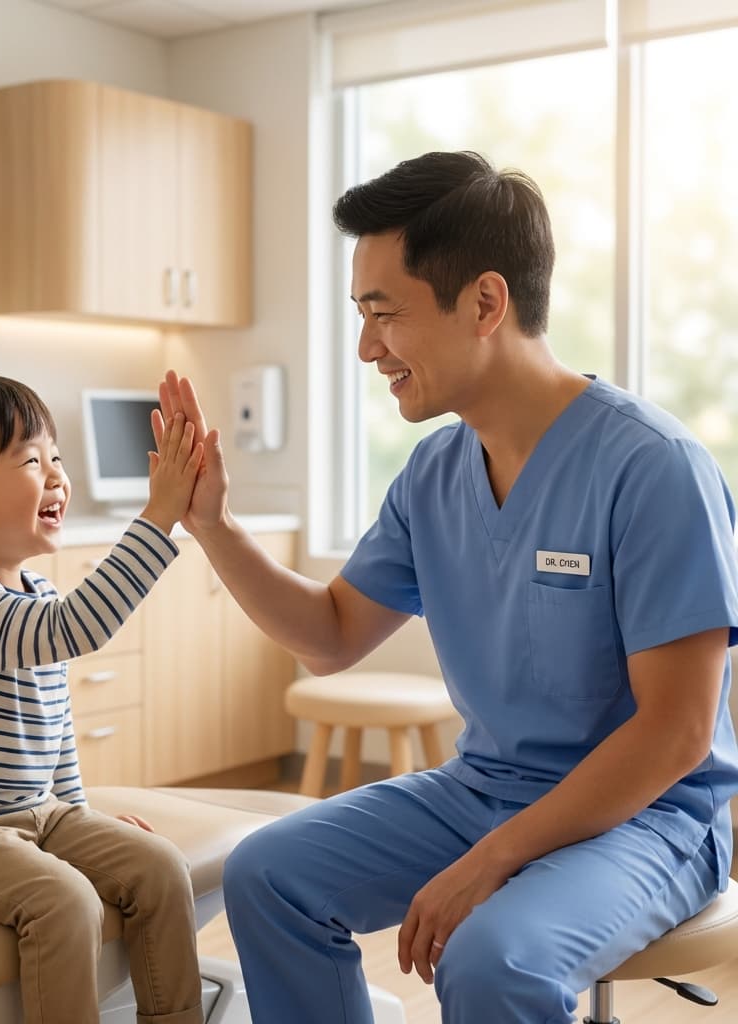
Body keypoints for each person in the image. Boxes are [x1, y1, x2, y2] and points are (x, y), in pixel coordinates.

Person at [153, 151, 738, 1024]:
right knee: (266, 873)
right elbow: (331, 633)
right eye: (361, 316)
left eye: (384, 314)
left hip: (649, 819)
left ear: (486, 304)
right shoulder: (434, 472)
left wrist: (493, 858)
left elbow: (678, 733)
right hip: (484, 789)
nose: (365, 348)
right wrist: (212, 526)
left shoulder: (652, 467)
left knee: (494, 961)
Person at [0, 372, 206, 1024]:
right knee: (64, 900)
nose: (55, 475)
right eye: (30, 460)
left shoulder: (37, 594)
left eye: (56, 457)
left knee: (160, 866)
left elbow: (52, 722)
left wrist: (78, 814)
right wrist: (158, 516)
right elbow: (79, 628)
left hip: (34, 813)